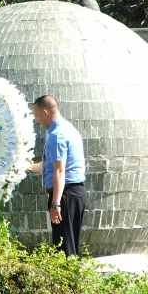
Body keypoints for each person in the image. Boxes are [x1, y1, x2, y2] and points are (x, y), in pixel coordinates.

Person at [29, 95, 87, 256]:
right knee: (71, 246)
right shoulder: (68, 129)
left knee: (63, 249)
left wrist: (55, 204)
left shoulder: (57, 135)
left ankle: (68, 281)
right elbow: (51, 166)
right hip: (75, 193)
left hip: (64, 195)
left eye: (37, 115)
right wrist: (26, 168)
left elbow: (59, 171)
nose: (37, 120)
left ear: (45, 112)